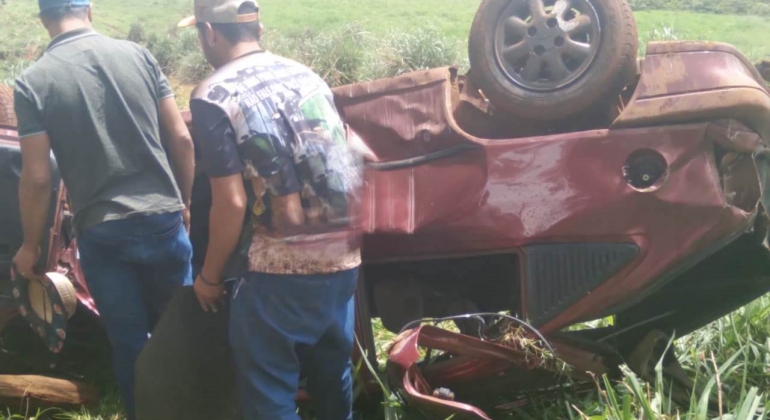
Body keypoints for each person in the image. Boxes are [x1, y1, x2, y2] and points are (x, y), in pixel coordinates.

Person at [179, 1, 364, 418]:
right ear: (256, 27)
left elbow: (231, 201)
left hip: (279, 272)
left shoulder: (211, 95)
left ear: (209, 32)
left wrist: (209, 277)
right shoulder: (308, 75)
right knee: (332, 375)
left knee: (269, 392)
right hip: (343, 256)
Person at [12, 1, 195, 418]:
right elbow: (182, 140)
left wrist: (29, 245)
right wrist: (183, 204)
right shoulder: (139, 56)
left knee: (130, 344)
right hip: (163, 221)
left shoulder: (32, 83)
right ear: (88, 10)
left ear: (44, 20)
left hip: (102, 233)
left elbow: (38, 178)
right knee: (180, 336)